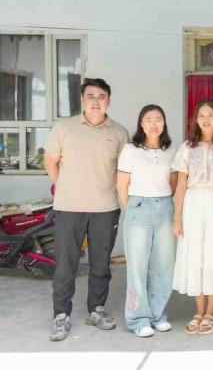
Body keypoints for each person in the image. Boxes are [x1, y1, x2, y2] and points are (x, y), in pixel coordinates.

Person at [44, 78, 129, 342]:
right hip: (69, 208)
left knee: (101, 264)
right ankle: (61, 314)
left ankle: (96, 309)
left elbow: (123, 173)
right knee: (65, 264)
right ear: (82, 99)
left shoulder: (119, 133)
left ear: (109, 101)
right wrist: (64, 187)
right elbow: (50, 161)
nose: (95, 101)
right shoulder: (64, 128)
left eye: (101, 97)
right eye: (90, 96)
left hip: (106, 208)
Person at [171, 99, 213, 335]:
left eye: (210, 115)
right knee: (195, 255)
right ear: (196, 120)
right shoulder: (187, 148)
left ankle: (210, 312)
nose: (206, 119)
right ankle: (198, 312)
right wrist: (177, 218)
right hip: (193, 204)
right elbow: (181, 185)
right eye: (201, 116)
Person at [116, 105, 177, 337]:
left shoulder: (171, 150)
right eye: (148, 119)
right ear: (141, 124)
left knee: (163, 265)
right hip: (139, 208)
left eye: (158, 119)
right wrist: (132, 210)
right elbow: (121, 185)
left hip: (165, 207)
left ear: (164, 123)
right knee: (137, 267)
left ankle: (157, 315)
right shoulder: (130, 150)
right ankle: (138, 319)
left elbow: (173, 183)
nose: (153, 124)